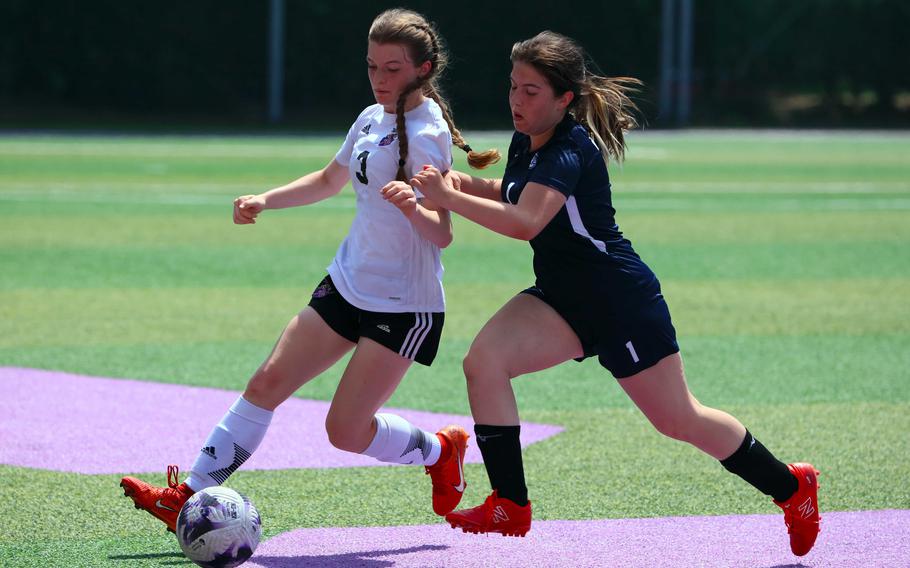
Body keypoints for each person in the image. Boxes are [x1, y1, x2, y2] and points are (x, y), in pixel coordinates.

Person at [403, 31, 821, 556]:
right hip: (561, 299)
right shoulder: (527, 136)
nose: (517, 100)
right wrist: (460, 184)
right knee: (484, 362)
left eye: (531, 91)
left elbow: (526, 221)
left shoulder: (570, 148)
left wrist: (448, 198)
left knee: (678, 419)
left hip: (620, 302)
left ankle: (792, 486)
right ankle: (510, 503)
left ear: (564, 99)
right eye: (514, 86)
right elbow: (513, 192)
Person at [119, 8, 500, 533]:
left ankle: (439, 451)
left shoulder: (428, 131)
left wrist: (414, 207)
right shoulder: (371, 117)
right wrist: (264, 199)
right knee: (267, 380)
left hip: (403, 306)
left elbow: (443, 233)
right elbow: (327, 180)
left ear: (423, 68)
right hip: (347, 283)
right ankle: (188, 494)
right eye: (372, 66)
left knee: (344, 430)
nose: (380, 79)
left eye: (392, 69)